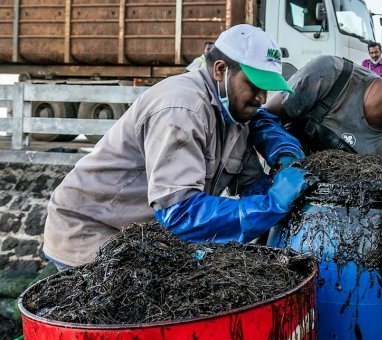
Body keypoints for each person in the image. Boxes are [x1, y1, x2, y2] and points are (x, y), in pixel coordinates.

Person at [43, 25, 308, 269]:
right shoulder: (181, 110)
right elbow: (180, 213)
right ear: (220, 70)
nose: (261, 99)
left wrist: (286, 174)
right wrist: (270, 205)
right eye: (254, 85)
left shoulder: (234, 116)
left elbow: (251, 180)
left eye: (268, 89)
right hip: (91, 230)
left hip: (142, 234)